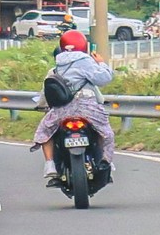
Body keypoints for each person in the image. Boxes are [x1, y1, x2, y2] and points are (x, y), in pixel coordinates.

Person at [34, 29, 116, 185]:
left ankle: (50, 165)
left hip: (62, 111)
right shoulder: (85, 61)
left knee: (45, 131)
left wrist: (41, 106)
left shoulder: (56, 67)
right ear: (84, 46)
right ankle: (106, 161)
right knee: (105, 132)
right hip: (87, 108)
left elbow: (47, 91)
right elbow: (103, 78)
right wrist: (101, 63)